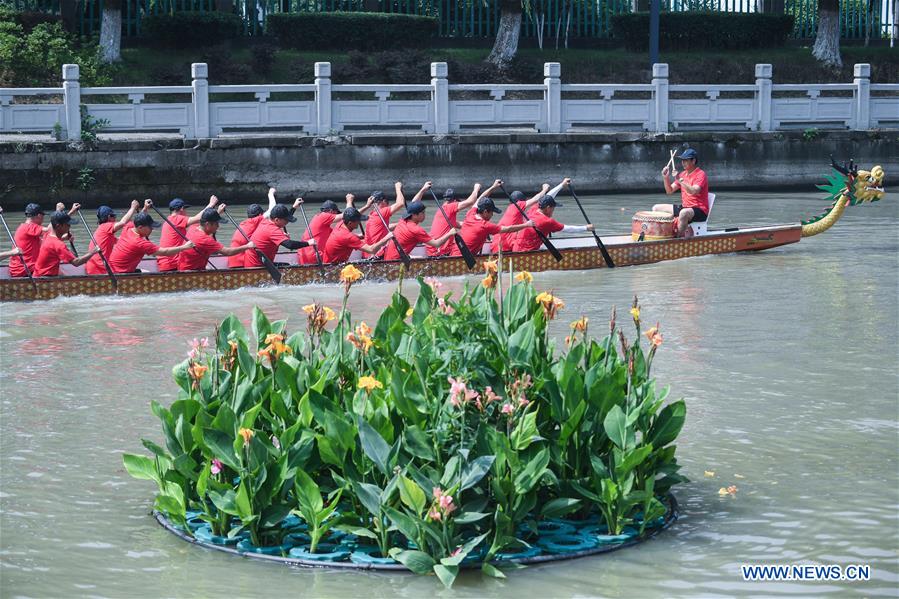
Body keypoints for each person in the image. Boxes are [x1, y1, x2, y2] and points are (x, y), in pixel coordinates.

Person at [108, 210, 194, 273]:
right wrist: (184, 247)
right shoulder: (140, 243)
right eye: (150, 227)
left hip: (111, 269)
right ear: (140, 227)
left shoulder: (128, 228)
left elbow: (136, 220)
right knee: (147, 274)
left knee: (145, 271)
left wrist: (145, 208)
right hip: (121, 274)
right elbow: (165, 252)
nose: (152, 229)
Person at [451, 196, 534, 257]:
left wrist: (493, 187)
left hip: (454, 254)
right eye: (491, 212)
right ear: (485, 212)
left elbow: (479, 199)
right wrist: (526, 225)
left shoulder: (471, 214)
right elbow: (508, 229)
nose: (492, 215)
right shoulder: (485, 225)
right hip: (462, 259)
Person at [296, 194, 368, 265]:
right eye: (336, 213)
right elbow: (348, 215)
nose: (336, 215)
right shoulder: (323, 216)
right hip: (313, 256)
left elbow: (342, 235)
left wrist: (360, 236)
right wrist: (349, 201)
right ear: (331, 211)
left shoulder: (323, 225)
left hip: (303, 256)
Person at [655, 148, 709, 238]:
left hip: (700, 210)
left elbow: (694, 191)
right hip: (685, 207)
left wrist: (679, 180)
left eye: (686, 160)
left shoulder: (701, 174)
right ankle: (663, 234)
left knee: (683, 213)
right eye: (682, 160)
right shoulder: (682, 174)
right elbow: (669, 191)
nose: (683, 163)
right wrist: (665, 178)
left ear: (693, 161)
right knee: (656, 208)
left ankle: (678, 239)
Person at [179, 208, 255, 271]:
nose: (218, 226)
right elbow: (227, 252)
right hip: (191, 273)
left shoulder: (193, 227)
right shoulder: (204, 239)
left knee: (209, 268)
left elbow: (206, 219)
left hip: (184, 268)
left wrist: (217, 212)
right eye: (216, 224)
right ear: (207, 224)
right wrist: (247, 246)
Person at [513, 194, 594, 253]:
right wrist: (586, 228)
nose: (553, 211)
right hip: (527, 252)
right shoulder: (547, 221)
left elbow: (549, 194)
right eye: (553, 208)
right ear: (548, 208)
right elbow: (568, 229)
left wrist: (562, 185)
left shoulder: (533, 209)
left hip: (515, 248)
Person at [156, 196, 219, 272]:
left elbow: (201, 223)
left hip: (165, 263)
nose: (186, 212)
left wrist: (217, 213)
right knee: (207, 269)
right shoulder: (176, 218)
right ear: (182, 209)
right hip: (172, 264)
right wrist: (211, 204)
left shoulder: (168, 221)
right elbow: (198, 218)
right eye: (185, 209)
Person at [427, 182, 488, 257]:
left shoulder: (442, 210)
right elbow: (470, 201)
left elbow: (459, 224)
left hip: (432, 250)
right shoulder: (449, 207)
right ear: (455, 201)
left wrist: (477, 225)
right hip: (439, 253)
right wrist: (476, 188)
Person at [383, 201, 457, 261]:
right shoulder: (416, 230)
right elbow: (436, 244)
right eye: (423, 213)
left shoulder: (402, 220)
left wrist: (423, 189)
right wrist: (450, 233)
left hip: (387, 258)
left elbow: (412, 205)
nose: (425, 215)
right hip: (396, 262)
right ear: (414, 215)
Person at [245, 203, 315, 268]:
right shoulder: (273, 230)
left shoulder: (265, 222)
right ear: (276, 220)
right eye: (286, 220)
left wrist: (294, 207)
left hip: (254, 263)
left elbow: (284, 219)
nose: (287, 222)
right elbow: (290, 245)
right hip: (257, 267)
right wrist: (308, 243)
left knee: (286, 266)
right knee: (288, 268)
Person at [85, 200, 143, 275]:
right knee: (135, 272)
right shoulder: (106, 226)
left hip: (93, 268)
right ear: (109, 217)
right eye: (114, 216)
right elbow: (122, 223)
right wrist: (132, 208)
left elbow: (122, 240)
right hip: (100, 270)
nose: (115, 219)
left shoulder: (102, 231)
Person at [33, 211, 99, 276]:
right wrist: (93, 252)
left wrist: (63, 238)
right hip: (43, 280)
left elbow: (52, 245)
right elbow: (76, 262)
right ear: (58, 226)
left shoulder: (47, 235)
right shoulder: (58, 244)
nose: (69, 227)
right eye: (67, 225)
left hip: (38, 275)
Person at [491, 183, 552, 253]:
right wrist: (545, 189)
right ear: (520, 201)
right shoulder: (517, 205)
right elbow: (535, 199)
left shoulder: (510, 210)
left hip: (496, 247)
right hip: (503, 250)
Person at [323, 207, 394, 264]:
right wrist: (387, 237)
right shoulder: (348, 237)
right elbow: (371, 250)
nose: (359, 222)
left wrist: (367, 205)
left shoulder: (341, 223)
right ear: (350, 223)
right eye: (358, 221)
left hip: (329, 263)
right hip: (332, 268)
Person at [362, 182, 406, 258]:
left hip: (367, 255)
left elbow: (384, 227)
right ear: (383, 201)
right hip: (377, 256)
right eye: (388, 202)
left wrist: (401, 224)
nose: (388, 205)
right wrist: (398, 188)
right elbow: (400, 203)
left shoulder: (371, 215)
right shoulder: (382, 212)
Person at [8, 203, 47, 278]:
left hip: (22, 267)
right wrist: (59, 212)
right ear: (39, 216)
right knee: (54, 268)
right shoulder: (29, 227)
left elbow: (49, 240)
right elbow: (51, 231)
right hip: (23, 269)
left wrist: (64, 237)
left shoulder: (25, 228)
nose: (43, 219)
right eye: (43, 216)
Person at [226, 203, 266, 268]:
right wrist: (271, 194)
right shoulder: (255, 221)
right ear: (260, 215)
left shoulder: (243, 223)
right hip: (240, 264)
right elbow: (271, 210)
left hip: (232, 262)